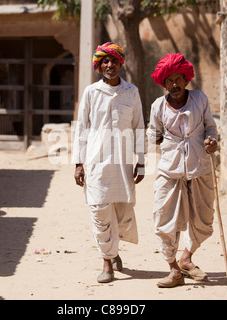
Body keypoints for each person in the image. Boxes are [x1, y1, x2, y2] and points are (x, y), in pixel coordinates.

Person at [72, 42, 146, 283]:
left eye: (113, 60)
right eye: (105, 61)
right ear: (99, 66)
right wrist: (78, 163)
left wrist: (142, 161)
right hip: (96, 164)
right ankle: (107, 263)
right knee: (100, 211)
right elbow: (81, 127)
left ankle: (113, 252)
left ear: (120, 63)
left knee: (122, 212)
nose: (109, 65)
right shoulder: (91, 92)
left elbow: (138, 127)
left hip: (123, 166)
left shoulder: (131, 92)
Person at [147, 53, 218, 288]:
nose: (174, 85)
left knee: (204, 220)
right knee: (163, 220)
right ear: (164, 84)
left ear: (186, 80)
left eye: (178, 79)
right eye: (169, 81)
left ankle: (186, 258)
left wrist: (211, 141)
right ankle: (173, 270)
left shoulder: (200, 99)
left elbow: (210, 127)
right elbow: (153, 134)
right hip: (170, 171)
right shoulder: (158, 106)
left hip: (200, 169)